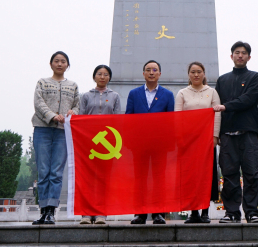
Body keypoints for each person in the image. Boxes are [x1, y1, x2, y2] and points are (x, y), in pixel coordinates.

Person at [212, 41, 258, 224]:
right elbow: (215, 106)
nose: (240, 55)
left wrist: (226, 106)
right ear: (231, 56)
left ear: (249, 57)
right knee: (229, 175)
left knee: (251, 174)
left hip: (248, 132)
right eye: (237, 52)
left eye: (243, 53)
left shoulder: (255, 77)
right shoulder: (222, 80)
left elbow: (249, 99)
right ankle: (232, 212)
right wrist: (217, 133)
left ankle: (252, 212)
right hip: (227, 134)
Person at [31, 51, 80, 225]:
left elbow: (77, 105)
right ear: (51, 64)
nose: (60, 64)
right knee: (43, 171)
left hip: (62, 132)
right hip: (42, 129)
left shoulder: (73, 86)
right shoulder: (42, 82)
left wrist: (73, 112)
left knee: (56, 172)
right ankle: (43, 211)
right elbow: (38, 103)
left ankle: (51, 211)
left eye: (63, 61)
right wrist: (52, 116)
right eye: (56, 61)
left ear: (68, 65)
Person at [126, 60, 175, 225]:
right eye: (148, 70)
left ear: (160, 73)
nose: (151, 72)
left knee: (159, 179)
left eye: (155, 70)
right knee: (140, 179)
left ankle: (158, 213)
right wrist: (130, 141)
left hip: (159, 145)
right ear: (143, 74)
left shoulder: (167, 95)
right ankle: (140, 213)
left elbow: (171, 121)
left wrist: (168, 143)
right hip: (139, 144)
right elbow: (128, 118)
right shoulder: (134, 93)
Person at [176, 61, 221, 224]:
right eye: (193, 72)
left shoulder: (212, 92)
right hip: (188, 142)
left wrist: (215, 136)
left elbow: (217, 114)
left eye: (199, 71)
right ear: (188, 74)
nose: (196, 75)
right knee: (191, 176)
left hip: (206, 141)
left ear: (204, 74)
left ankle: (205, 211)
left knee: (207, 176)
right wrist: (180, 138)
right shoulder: (182, 93)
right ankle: (193, 212)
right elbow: (177, 117)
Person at [79, 65, 120, 225]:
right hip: (89, 142)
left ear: (109, 77)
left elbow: (117, 119)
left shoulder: (115, 96)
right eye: (99, 74)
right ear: (94, 76)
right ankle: (86, 213)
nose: (102, 77)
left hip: (107, 143)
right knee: (87, 178)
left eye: (106, 74)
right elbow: (81, 118)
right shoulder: (86, 96)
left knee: (103, 179)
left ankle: (101, 213)